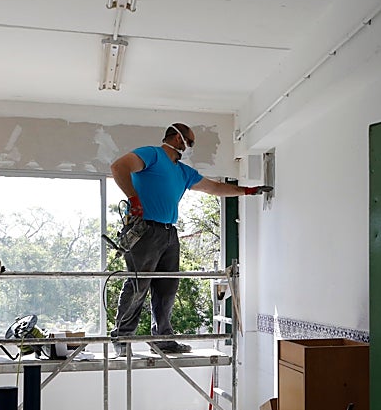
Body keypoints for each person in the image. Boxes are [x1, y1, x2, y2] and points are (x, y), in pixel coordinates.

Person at [109, 122, 271, 354]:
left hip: (168, 233)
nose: (190, 146)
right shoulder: (152, 155)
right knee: (138, 283)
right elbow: (118, 168)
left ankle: (163, 340)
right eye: (190, 141)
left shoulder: (183, 171)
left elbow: (213, 188)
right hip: (144, 229)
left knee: (167, 286)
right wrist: (133, 199)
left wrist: (247, 191)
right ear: (177, 138)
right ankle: (122, 339)